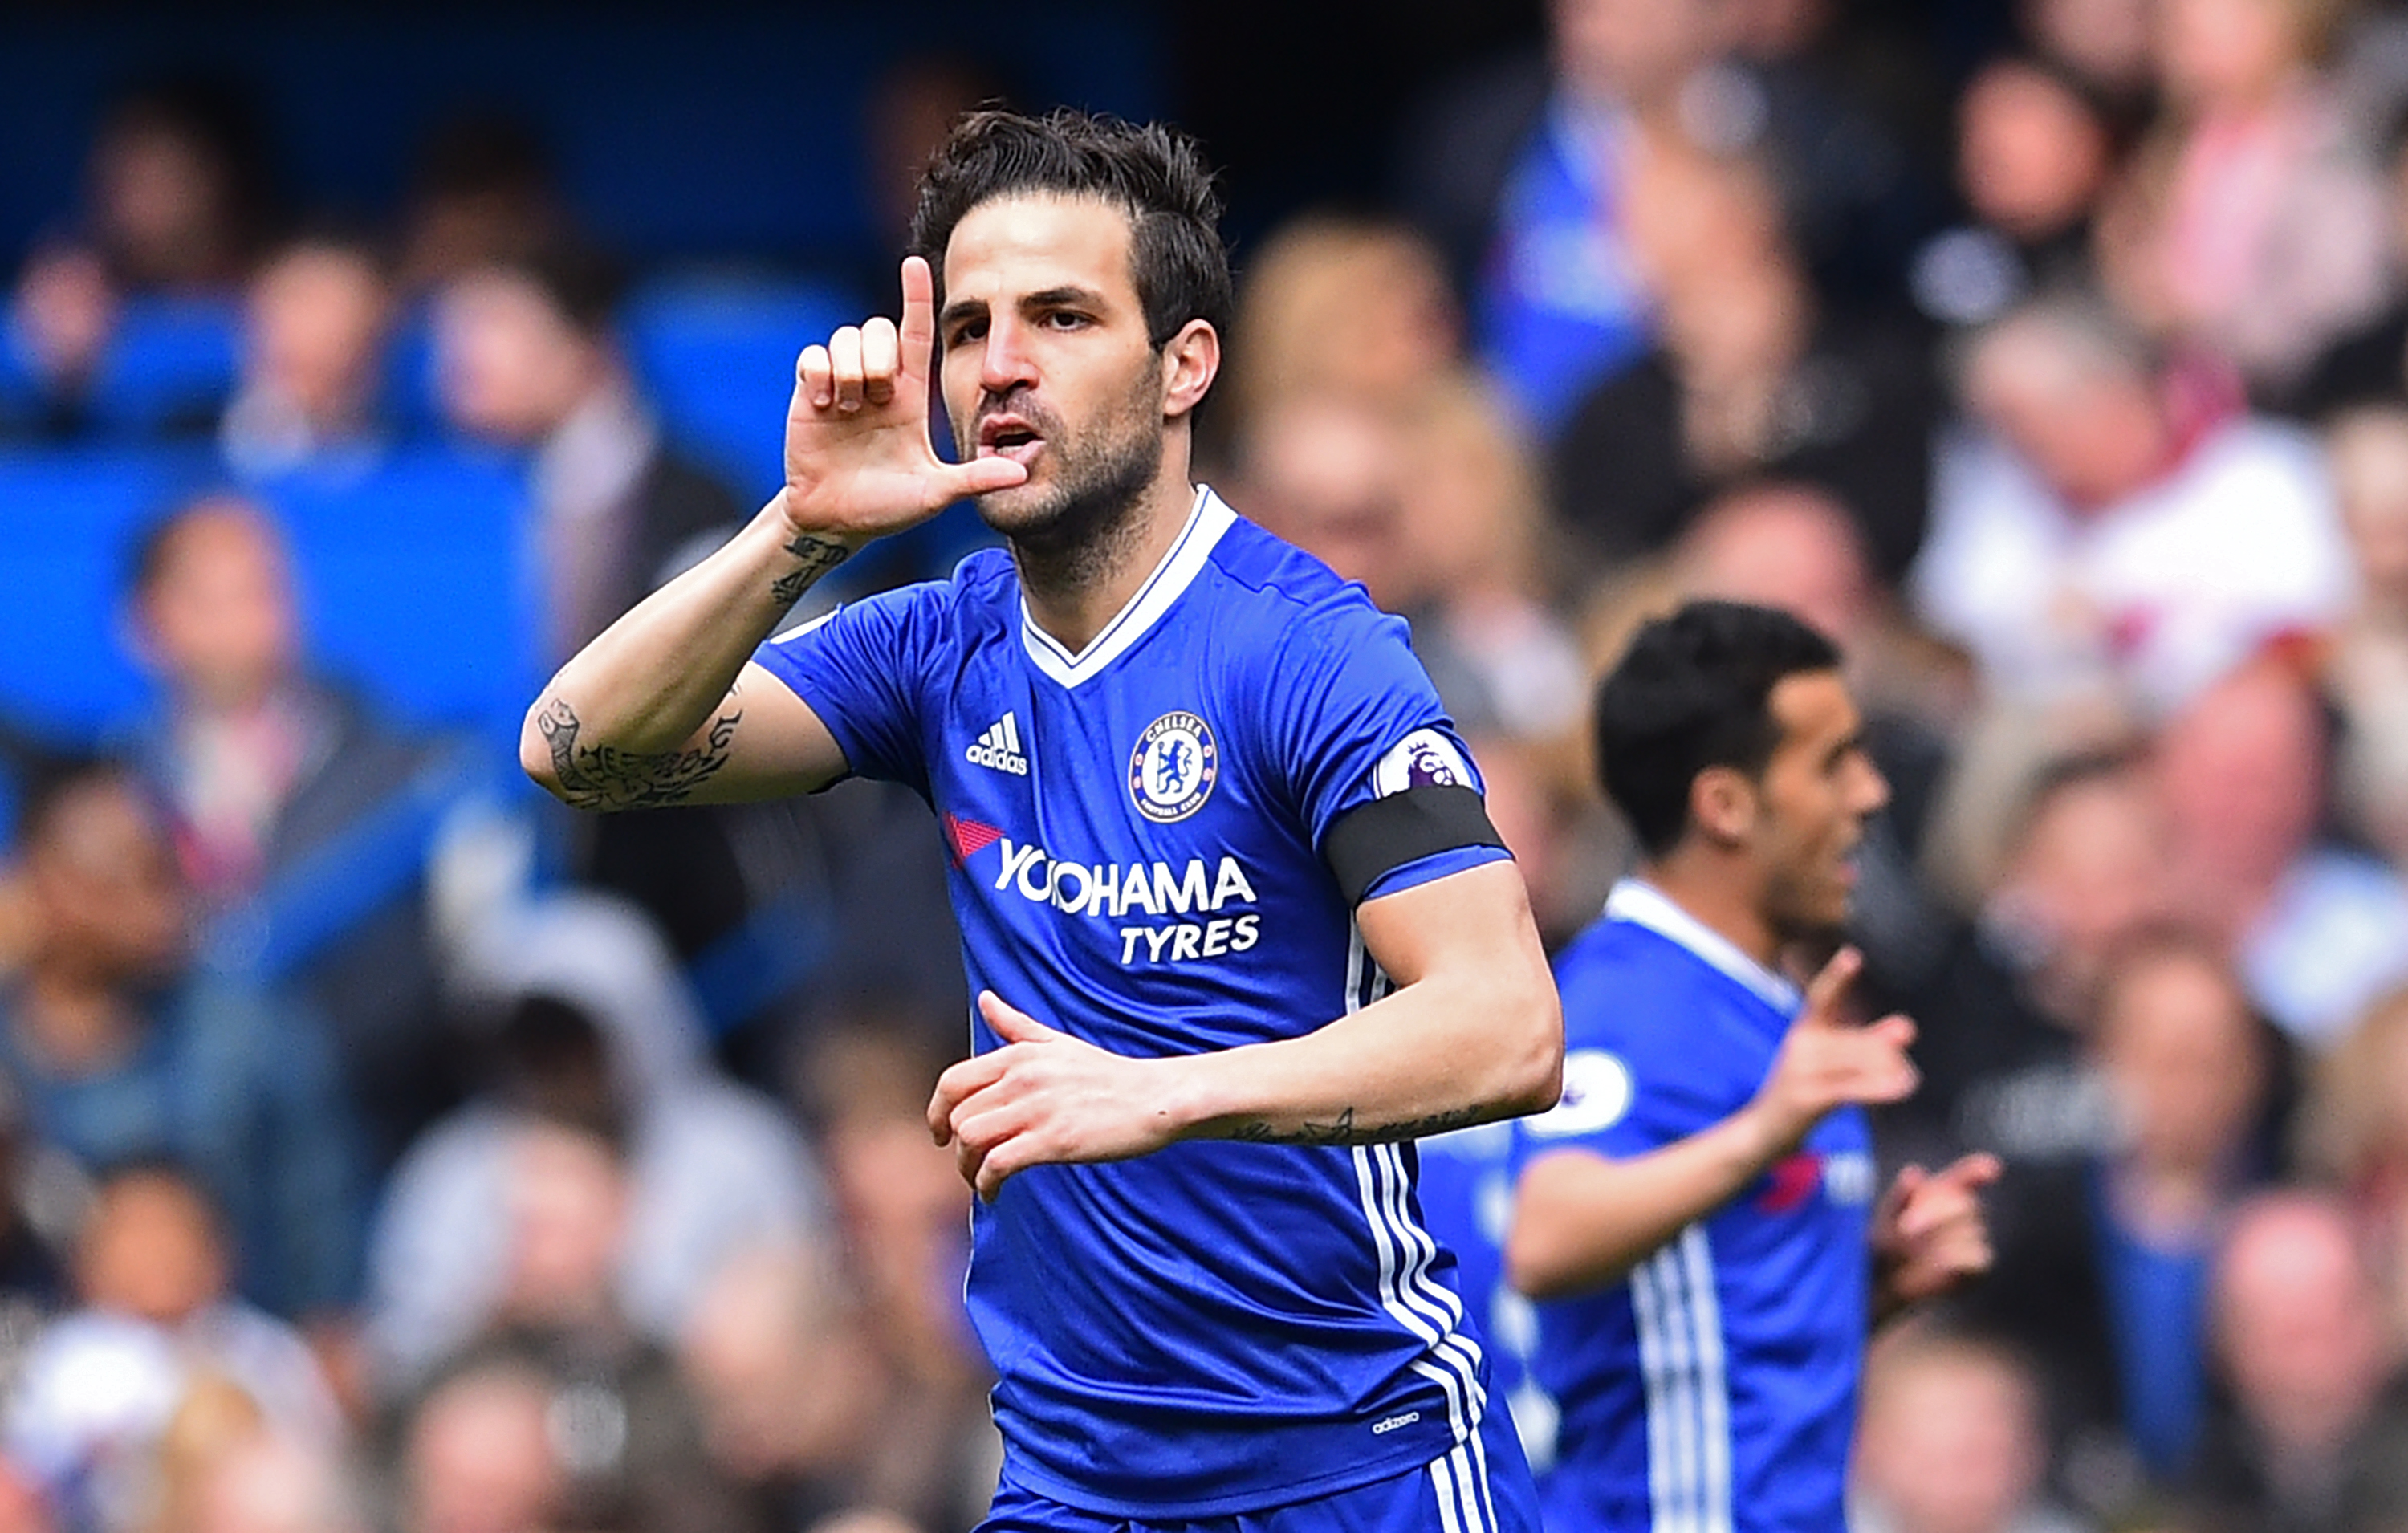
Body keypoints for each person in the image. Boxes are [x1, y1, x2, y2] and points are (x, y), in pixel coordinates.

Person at [519, 107, 1562, 1531]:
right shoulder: (936, 649)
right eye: (968, 328)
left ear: (1185, 365)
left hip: (1353, 1465)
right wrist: (802, 532)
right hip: (1073, 1486)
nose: (1000, 363)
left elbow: (1508, 1025)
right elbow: (578, 746)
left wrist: (1158, 1094)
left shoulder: (1310, 653)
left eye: (1062, 318)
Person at [1504, 600, 1996, 1533]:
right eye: (1831, 762)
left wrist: (1878, 1283)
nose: (1869, 794)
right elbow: (1548, 1236)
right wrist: (1767, 1128)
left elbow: (1711, 1334)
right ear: (1725, 804)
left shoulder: (1763, 1004)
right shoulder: (1629, 1000)